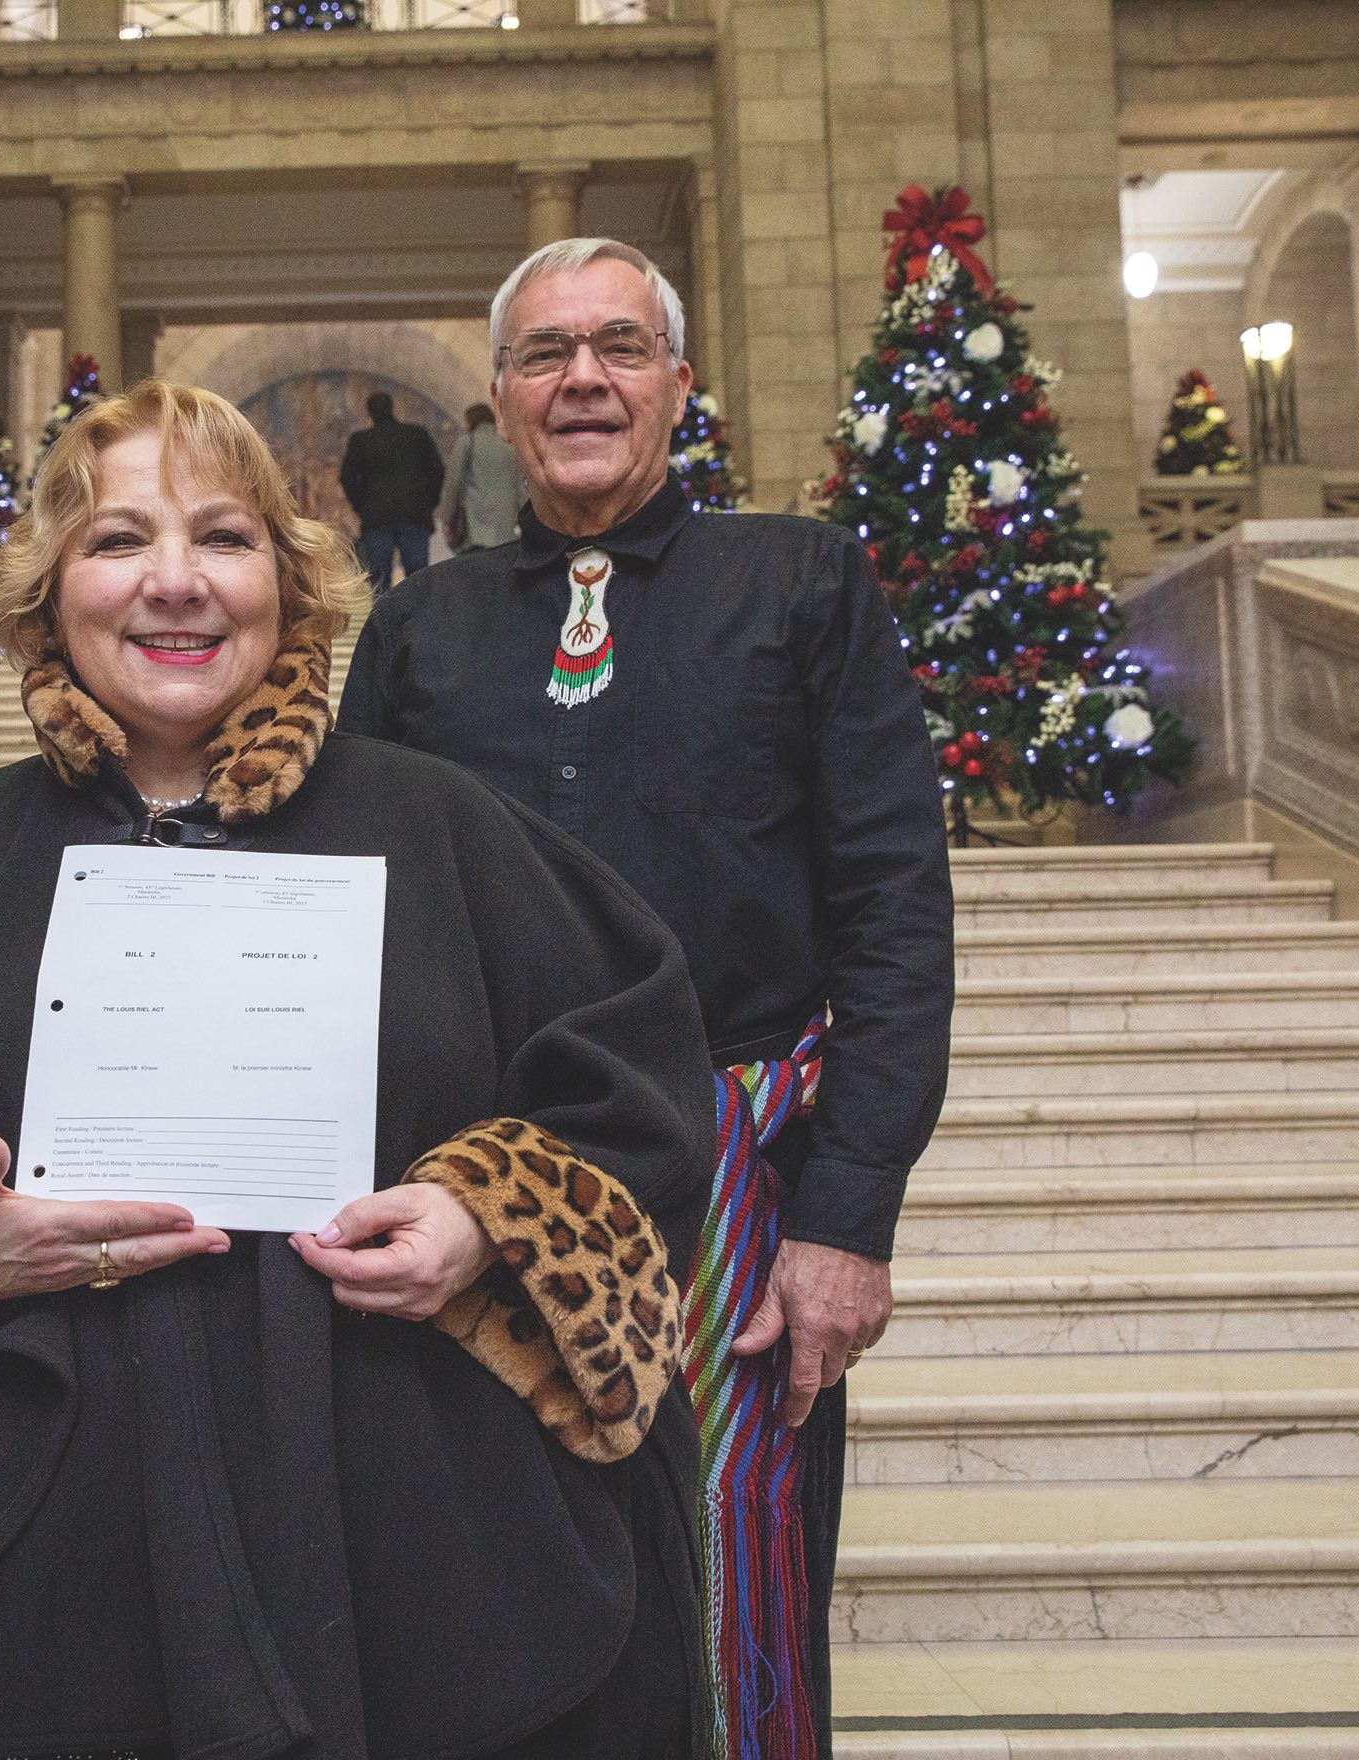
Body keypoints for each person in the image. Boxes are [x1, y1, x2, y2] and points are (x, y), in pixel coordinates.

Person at [0, 380, 717, 1760]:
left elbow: (635, 1077)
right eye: (118, 543)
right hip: (14, 1605)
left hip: (410, 1576)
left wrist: (482, 1219)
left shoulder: (450, 831)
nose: (175, 584)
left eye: (223, 539)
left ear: (290, 587)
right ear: (50, 598)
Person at [338, 238, 956, 1759]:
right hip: (470, 1168)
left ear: (679, 382)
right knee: (483, 1564)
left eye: (620, 346)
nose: (585, 380)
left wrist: (847, 1219)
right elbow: (343, 902)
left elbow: (893, 908)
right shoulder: (423, 626)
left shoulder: (803, 580)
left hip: (738, 1162)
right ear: (500, 397)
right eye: (547, 355)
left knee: (735, 1554)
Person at [336, 388, 445, 586]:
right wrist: (430, 501)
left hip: (376, 515)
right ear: (392, 408)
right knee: (418, 578)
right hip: (414, 512)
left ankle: (383, 617)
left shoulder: (361, 440)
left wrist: (360, 504)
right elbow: (437, 470)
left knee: (378, 580)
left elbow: (347, 476)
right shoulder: (416, 435)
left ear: (369, 413)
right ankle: (419, 617)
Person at [444, 399, 524, 551]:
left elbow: (454, 483)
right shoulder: (509, 447)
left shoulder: (467, 443)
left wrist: (447, 515)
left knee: (474, 568)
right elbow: (520, 486)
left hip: (475, 524)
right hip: (505, 525)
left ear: (470, 421)